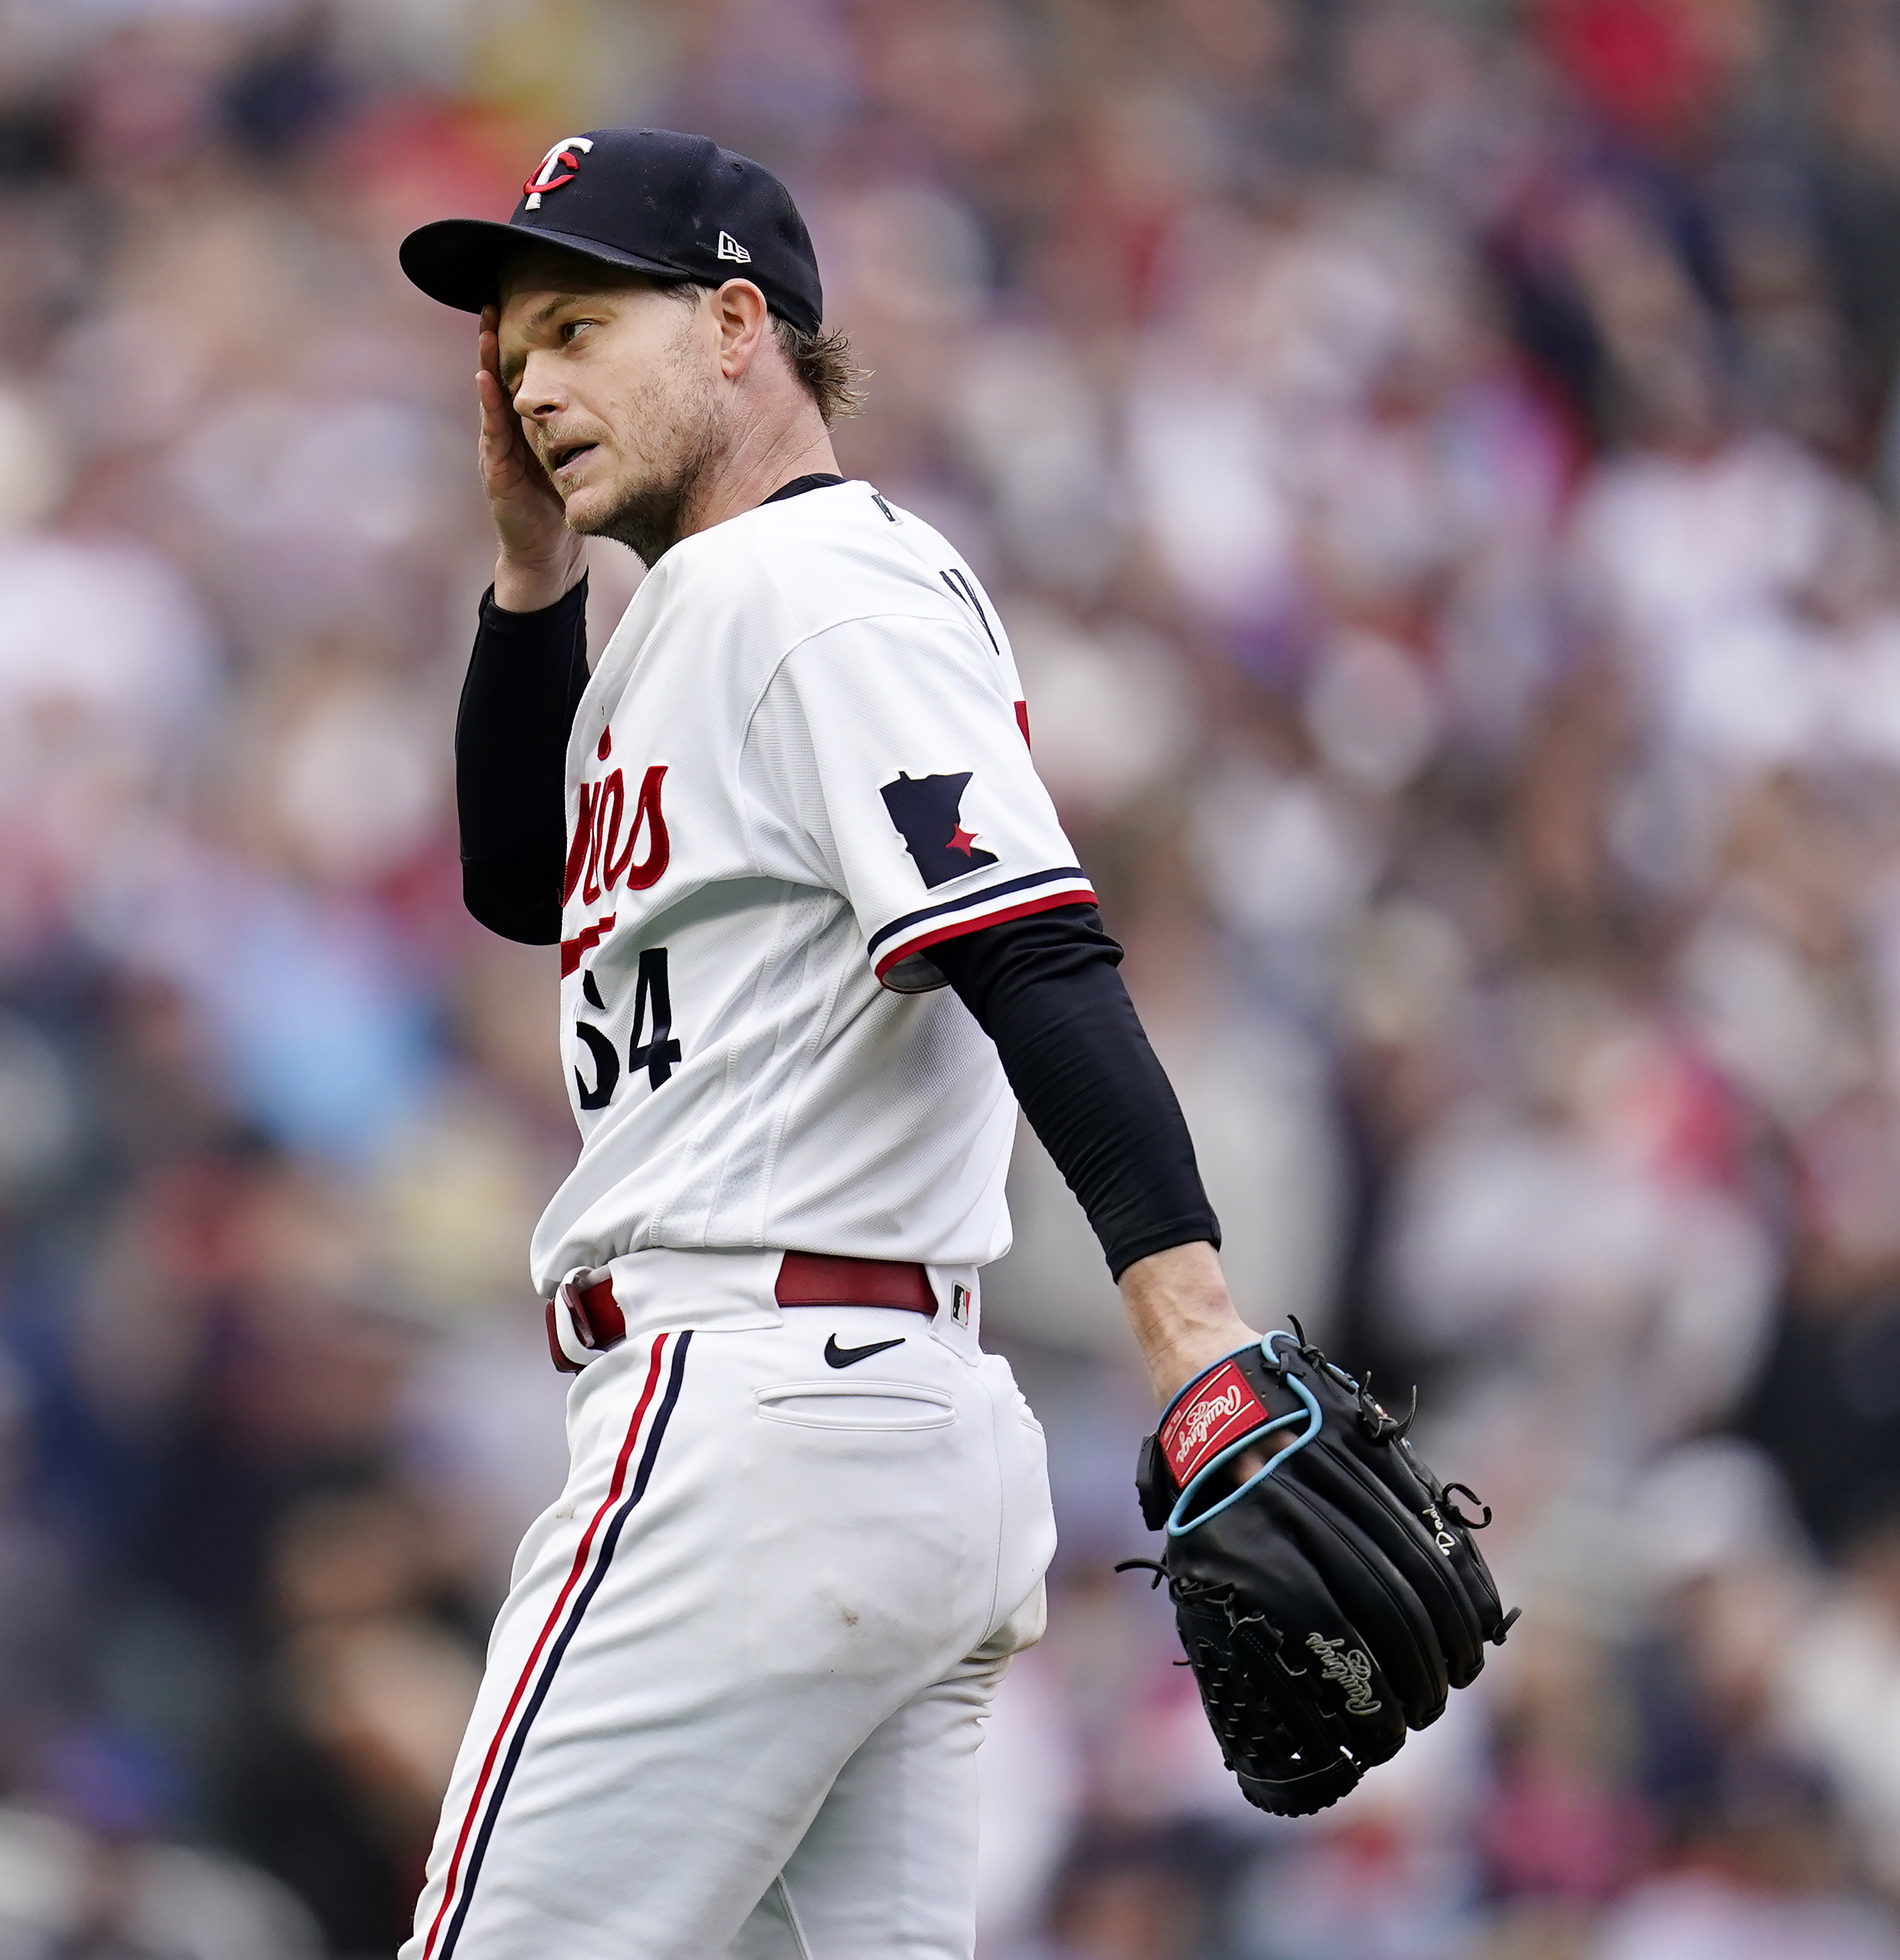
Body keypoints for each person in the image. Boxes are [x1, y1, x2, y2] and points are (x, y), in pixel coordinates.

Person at [392, 128, 1257, 1959]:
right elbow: (517, 881)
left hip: (749, 1414)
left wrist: (1189, 1324)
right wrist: (529, 567)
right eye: (507, 346)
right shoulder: (701, 609)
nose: (527, 379)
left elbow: (1029, 940)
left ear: (731, 327)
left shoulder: (805, 586)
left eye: (571, 325)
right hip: (868, 1416)